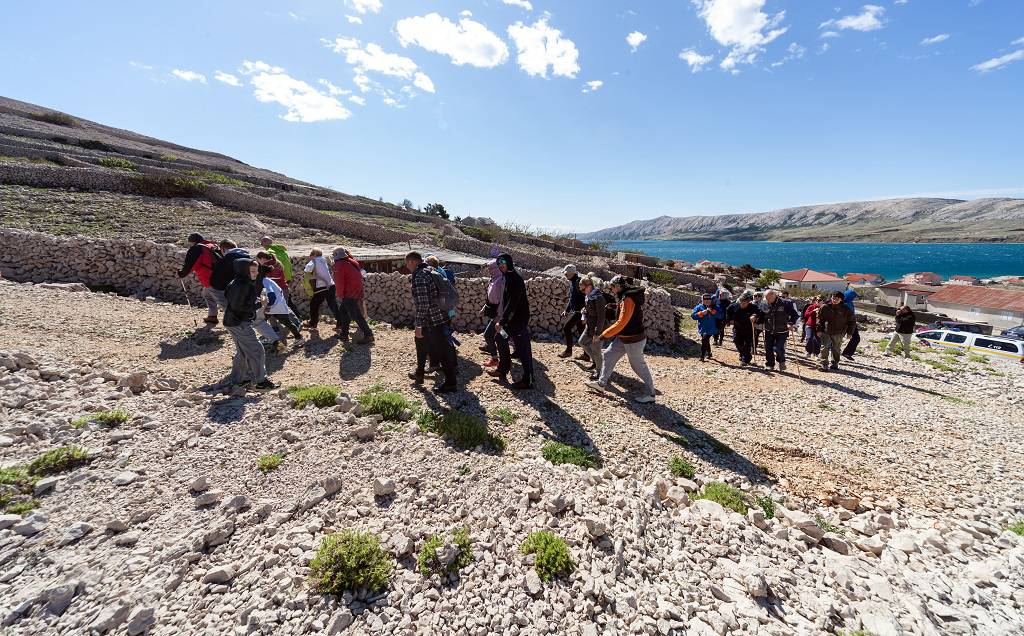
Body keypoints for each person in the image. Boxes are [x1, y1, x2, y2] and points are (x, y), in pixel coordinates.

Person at [587, 276, 656, 403]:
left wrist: (604, 335)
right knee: (608, 355)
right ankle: (601, 384)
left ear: (618, 286)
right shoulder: (625, 297)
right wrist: (615, 306)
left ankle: (651, 394)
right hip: (624, 338)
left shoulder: (628, 299)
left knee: (638, 366)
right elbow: (625, 313)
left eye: (612, 287)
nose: (612, 290)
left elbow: (621, 322)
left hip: (633, 340)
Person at [407, 251, 458, 393]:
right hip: (441, 316)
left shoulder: (419, 276)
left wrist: (418, 325)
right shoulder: (431, 270)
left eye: (407, 263)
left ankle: (450, 383)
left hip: (431, 320)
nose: (407, 266)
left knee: (441, 351)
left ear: (412, 261)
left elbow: (423, 304)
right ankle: (419, 373)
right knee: (421, 343)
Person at [223, 258, 277, 390]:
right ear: (244, 270)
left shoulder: (236, 282)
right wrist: (260, 304)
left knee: (242, 352)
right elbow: (239, 307)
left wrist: (255, 301)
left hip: (231, 321)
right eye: (252, 271)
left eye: (257, 271)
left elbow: (232, 300)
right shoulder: (244, 285)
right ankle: (261, 382)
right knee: (257, 350)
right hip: (239, 322)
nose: (256, 274)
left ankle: (239, 380)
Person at [488, 253, 534, 390]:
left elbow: (513, 303)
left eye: (503, 262)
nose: (501, 265)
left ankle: (529, 380)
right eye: (499, 263)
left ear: (509, 262)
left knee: (523, 350)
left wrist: (501, 321)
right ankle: (503, 368)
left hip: (518, 321)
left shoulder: (515, 279)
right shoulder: (507, 277)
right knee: (500, 338)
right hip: (511, 320)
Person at [177, 233, 222, 325]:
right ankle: (212, 316)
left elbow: (190, 265)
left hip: (210, 278)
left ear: (192, 242)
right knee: (207, 294)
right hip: (220, 275)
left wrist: (182, 273)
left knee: (223, 301)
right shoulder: (211, 245)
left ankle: (235, 321)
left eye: (190, 243)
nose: (189, 245)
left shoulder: (197, 249)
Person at [333, 247, 374, 344]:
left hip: (349, 292)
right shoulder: (352, 262)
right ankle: (344, 334)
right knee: (343, 311)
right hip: (357, 290)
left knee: (355, 314)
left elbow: (339, 282)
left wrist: (339, 294)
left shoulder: (339, 265)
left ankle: (368, 334)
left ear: (336, 255)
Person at [757, 289, 799, 372]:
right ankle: (769, 364)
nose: (768, 301)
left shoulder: (786, 303)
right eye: (767, 298)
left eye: (770, 298)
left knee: (778, 348)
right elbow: (762, 314)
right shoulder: (764, 303)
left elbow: (794, 315)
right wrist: (757, 319)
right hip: (769, 330)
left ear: (775, 296)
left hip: (782, 331)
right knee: (768, 348)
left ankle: (781, 361)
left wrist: (790, 323)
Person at [303, 248, 344, 330]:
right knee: (333, 304)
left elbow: (307, 270)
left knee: (314, 304)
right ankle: (340, 323)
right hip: (330, 285)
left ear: (314, 255)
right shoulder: (324, 261)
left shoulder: (313, 262)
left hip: (320, 286)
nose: (310, 256)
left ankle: (313, 323)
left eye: (311, 255)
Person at [816, 290, 855, 371]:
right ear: (831, 297)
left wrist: (850, 333)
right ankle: (824, 364)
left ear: (841, 299)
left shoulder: (846, 309)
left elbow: (852, 321)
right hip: (826, 331)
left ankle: (835, 363)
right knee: (824, 347)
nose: (834, 300)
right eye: (833, 298)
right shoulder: (825, 307)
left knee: (836, 348)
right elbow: (820, 319)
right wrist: (819, 330)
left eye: (837, 298)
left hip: (839, 332)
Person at [578, 273, 607, 381]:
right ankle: (596, 362)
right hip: (589, 326)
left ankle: (599, 372)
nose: (582, 291)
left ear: (589, 286)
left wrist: (597, 332)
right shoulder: (588, 296)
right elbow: (590, 310)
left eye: (583, 289)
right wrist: (584, 312)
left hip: (597, 329)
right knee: (582, 342)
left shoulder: (598, 298)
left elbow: (601, 317)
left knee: (596, 350)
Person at [209, 240, 250, 315]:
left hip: (231, 289)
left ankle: (232, 320)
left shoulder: (228, 258)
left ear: (223, 249)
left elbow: (219, 275)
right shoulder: (247, 256)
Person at [262, 273, 303, 347]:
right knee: (287, 323)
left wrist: (267, 306)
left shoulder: (264, 281)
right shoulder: (266, 280)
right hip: (277, 305)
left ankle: (273, 341)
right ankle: (298, 338)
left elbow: (271, 296)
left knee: (260, 322)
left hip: (275, 306)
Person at [480, 259, 504, 368]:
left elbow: (502, 300)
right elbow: (490, 297)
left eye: (491, 268)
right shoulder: (494, 279)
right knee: (501, 334)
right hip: (493, 311)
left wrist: (499, 317)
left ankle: (495, 359)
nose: (489, 270)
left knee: (488, 335)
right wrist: (484, 308)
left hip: (498, 313)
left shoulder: (501, 281)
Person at [559, 265, 586, 360]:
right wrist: (566, 310)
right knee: (581, 332)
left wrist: (585, 311)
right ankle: (586, 354)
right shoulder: (573, 282)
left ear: (571, 273)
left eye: (566, 274)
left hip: (580, 312)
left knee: (566, 328)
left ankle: (568, 351)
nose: (565, 275)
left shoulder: (579, 282)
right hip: (578, 311)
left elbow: (585, 296)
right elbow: (572, 299)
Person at [726, 292, 761, 366]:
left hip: (749, 329)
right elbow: (728, 310)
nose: (742, 304)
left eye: (744, 303)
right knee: (736, 341)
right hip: (737, 328)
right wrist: (729, 320)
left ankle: (745, 359)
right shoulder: (734, 306)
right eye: (741, 302)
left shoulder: (753, 307)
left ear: (748, 302)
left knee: (747, 345)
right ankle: (742, 354)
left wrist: (755, 316)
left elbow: (759, 312)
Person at [691, 293, 719, 362]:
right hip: (702, 328)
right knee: (706, 340)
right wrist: (701, 313)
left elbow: (721, 315)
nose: (707, 300)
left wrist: (713, 312)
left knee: (704, 339)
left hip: (712, 328)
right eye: (705, 299)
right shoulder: (699, 307)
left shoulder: (715, 307)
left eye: (709, 299)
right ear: (702, 300)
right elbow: (693, 316)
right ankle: (709, 353)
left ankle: (702, 355)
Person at [841, 283, 861, 361]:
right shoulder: (843, 304)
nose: (855, 298)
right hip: (844, 325)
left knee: (856, 338)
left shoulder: (850, 302)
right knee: (837, 339)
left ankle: (847, 353)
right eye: (854, 297)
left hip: (852, 324)